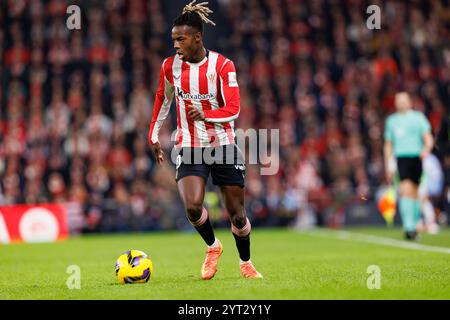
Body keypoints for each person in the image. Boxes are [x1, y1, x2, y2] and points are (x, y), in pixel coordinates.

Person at [148, 1, 262, 279]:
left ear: (197, 38)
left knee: (237, 214)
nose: (175, 44)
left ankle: (245, 262)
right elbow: (163, 99)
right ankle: (213, 247)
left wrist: (207, 114)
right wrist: (153, 134)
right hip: (189, 145)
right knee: (192, 206)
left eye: (180, 39)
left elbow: (234, 108)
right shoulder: (169, 67)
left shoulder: (223, 66)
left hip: (223, 145)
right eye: (173, 39)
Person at [383, 91, 434, 240]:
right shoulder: (392, 121)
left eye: (404, 100)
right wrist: (387, 164)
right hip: (401, 158)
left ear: (409, 101)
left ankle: (413, 225)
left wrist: (427, 149)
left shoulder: (418, 118)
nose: (401, 103)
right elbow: (388, 144)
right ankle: (409, 228)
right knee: (405, 190)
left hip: (417, 158)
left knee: (415, 193)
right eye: (398, 100)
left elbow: (428, 137)